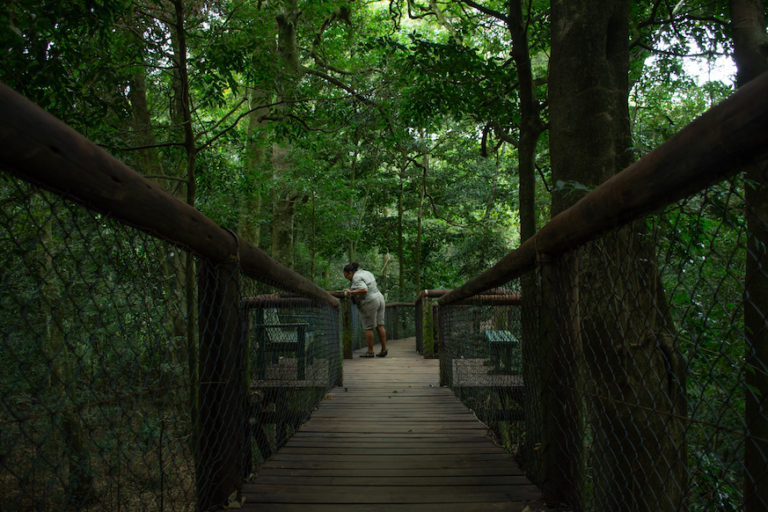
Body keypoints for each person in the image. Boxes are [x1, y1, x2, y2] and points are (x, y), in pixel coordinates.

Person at [343, 262, 387, 358]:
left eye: (346, 276)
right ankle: (384, 349)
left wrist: (350, 291)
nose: (348, 278)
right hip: (379, 297)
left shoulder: (356, 277)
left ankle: (370, 352)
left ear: (350, 272)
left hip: (370, 301)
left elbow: (364, 289)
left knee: (368, 327)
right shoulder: (365, 272)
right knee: (380, 325)